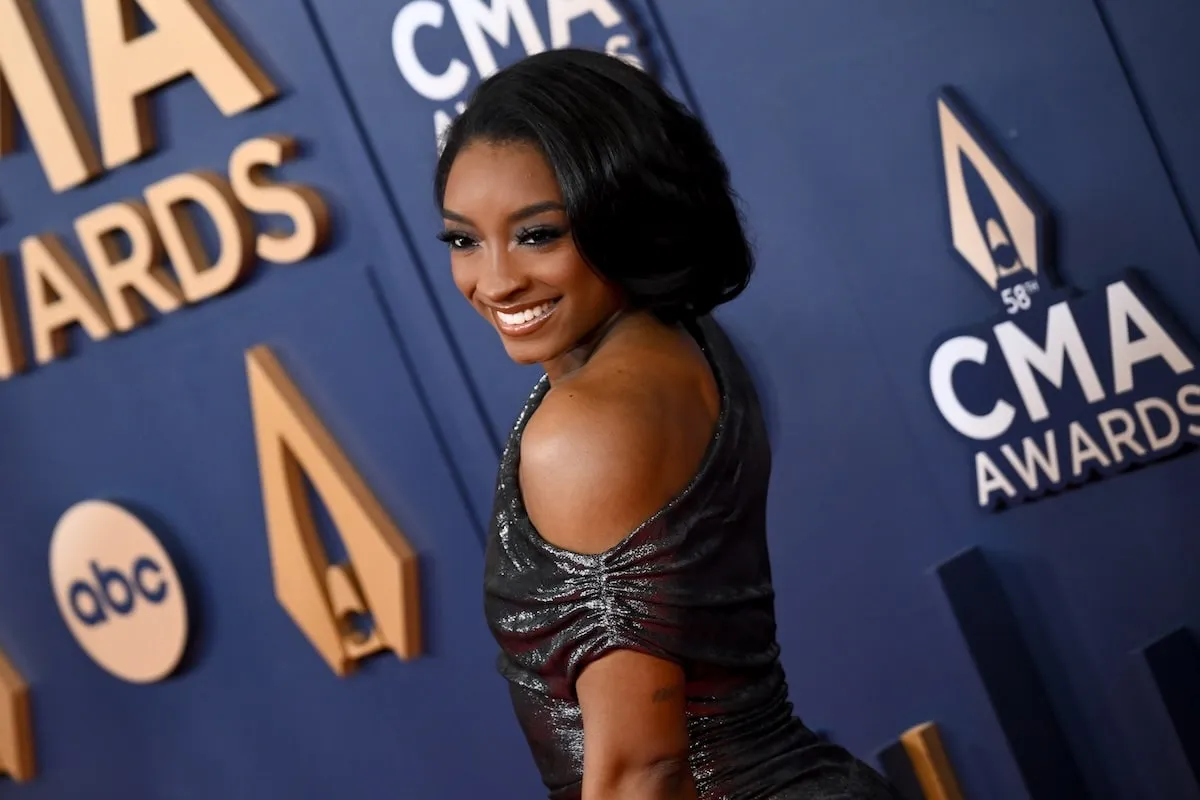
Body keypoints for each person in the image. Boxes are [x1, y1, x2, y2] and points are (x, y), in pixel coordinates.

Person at [433, 48, 898, 800]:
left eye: (538, 233)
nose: (493, 280)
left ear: (625, 214)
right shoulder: (681, 343)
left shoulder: (587, 429)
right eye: (462, 239)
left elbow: (639, 771)